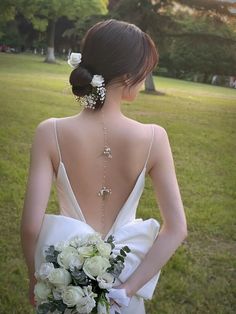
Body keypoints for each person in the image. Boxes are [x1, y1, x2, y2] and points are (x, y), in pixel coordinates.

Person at [20, 19, 187, 314]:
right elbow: (176, 228)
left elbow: (31, 226)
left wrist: (36, 279)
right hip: (122, 294)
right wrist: (127, 290)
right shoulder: (154, 138)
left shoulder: (50, 132)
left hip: (65, 285)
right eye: (144, 70)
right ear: (127, 75)